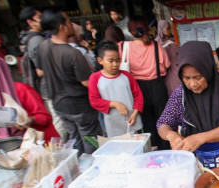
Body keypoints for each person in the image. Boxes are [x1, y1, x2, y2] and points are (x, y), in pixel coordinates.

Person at [157, 41, 219, 153]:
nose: (192, 84)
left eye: (197, 77)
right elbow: (162, 123)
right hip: (202, 154)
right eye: (186, 78)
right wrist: (171, 135)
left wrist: (201, 138)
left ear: (208, 69)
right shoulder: (180, 94)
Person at [36, 8, 102, 154]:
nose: (72, 24)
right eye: (68, 21)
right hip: (79, 107)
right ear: (62, 27)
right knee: (91, 143)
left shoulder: (43, 46)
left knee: (75, 143)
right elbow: (86, 82)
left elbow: (39, 72)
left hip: (59, 104)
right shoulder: (72, 53)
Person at [119, 15, 170, 149]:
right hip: (157, 86)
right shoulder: (155, 46)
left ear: (130, 31)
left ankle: (153, 148)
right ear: (147, 29)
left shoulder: (124, 47)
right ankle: (166, 148)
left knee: (147, 122)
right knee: (163, 121)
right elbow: (166, 65)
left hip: (138, 88)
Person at [19, 6, 68, 141]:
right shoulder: (37, 41)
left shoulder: (37, 39)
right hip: (51, 88)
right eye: (39, 17)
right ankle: (59, 152)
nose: (43, 20)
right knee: (60, 124)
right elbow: (40, 70)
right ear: (30, 22)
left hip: (52, 88)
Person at [0, 54, 59, 143]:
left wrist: (30, 120)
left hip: (39, 144)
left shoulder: (21, 89)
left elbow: (45, 118)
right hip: (12, 146)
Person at [88, 41, 143, 137]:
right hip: (112, 122)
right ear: (100, 60)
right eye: (110, 61)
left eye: (118, 60)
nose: (115, 64)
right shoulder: (95, 78)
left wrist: (135, 113)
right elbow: (94, 101)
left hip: (132, 119)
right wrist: (114, 104)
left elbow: (138, 96)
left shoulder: (127, 76)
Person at [155, 19, 181, 97]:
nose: (169, 30)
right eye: (167, 28)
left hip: (178, 68)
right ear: (161, 29)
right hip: (168, 71)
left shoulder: (175, 38)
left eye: (170, 28)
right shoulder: (157, 43)